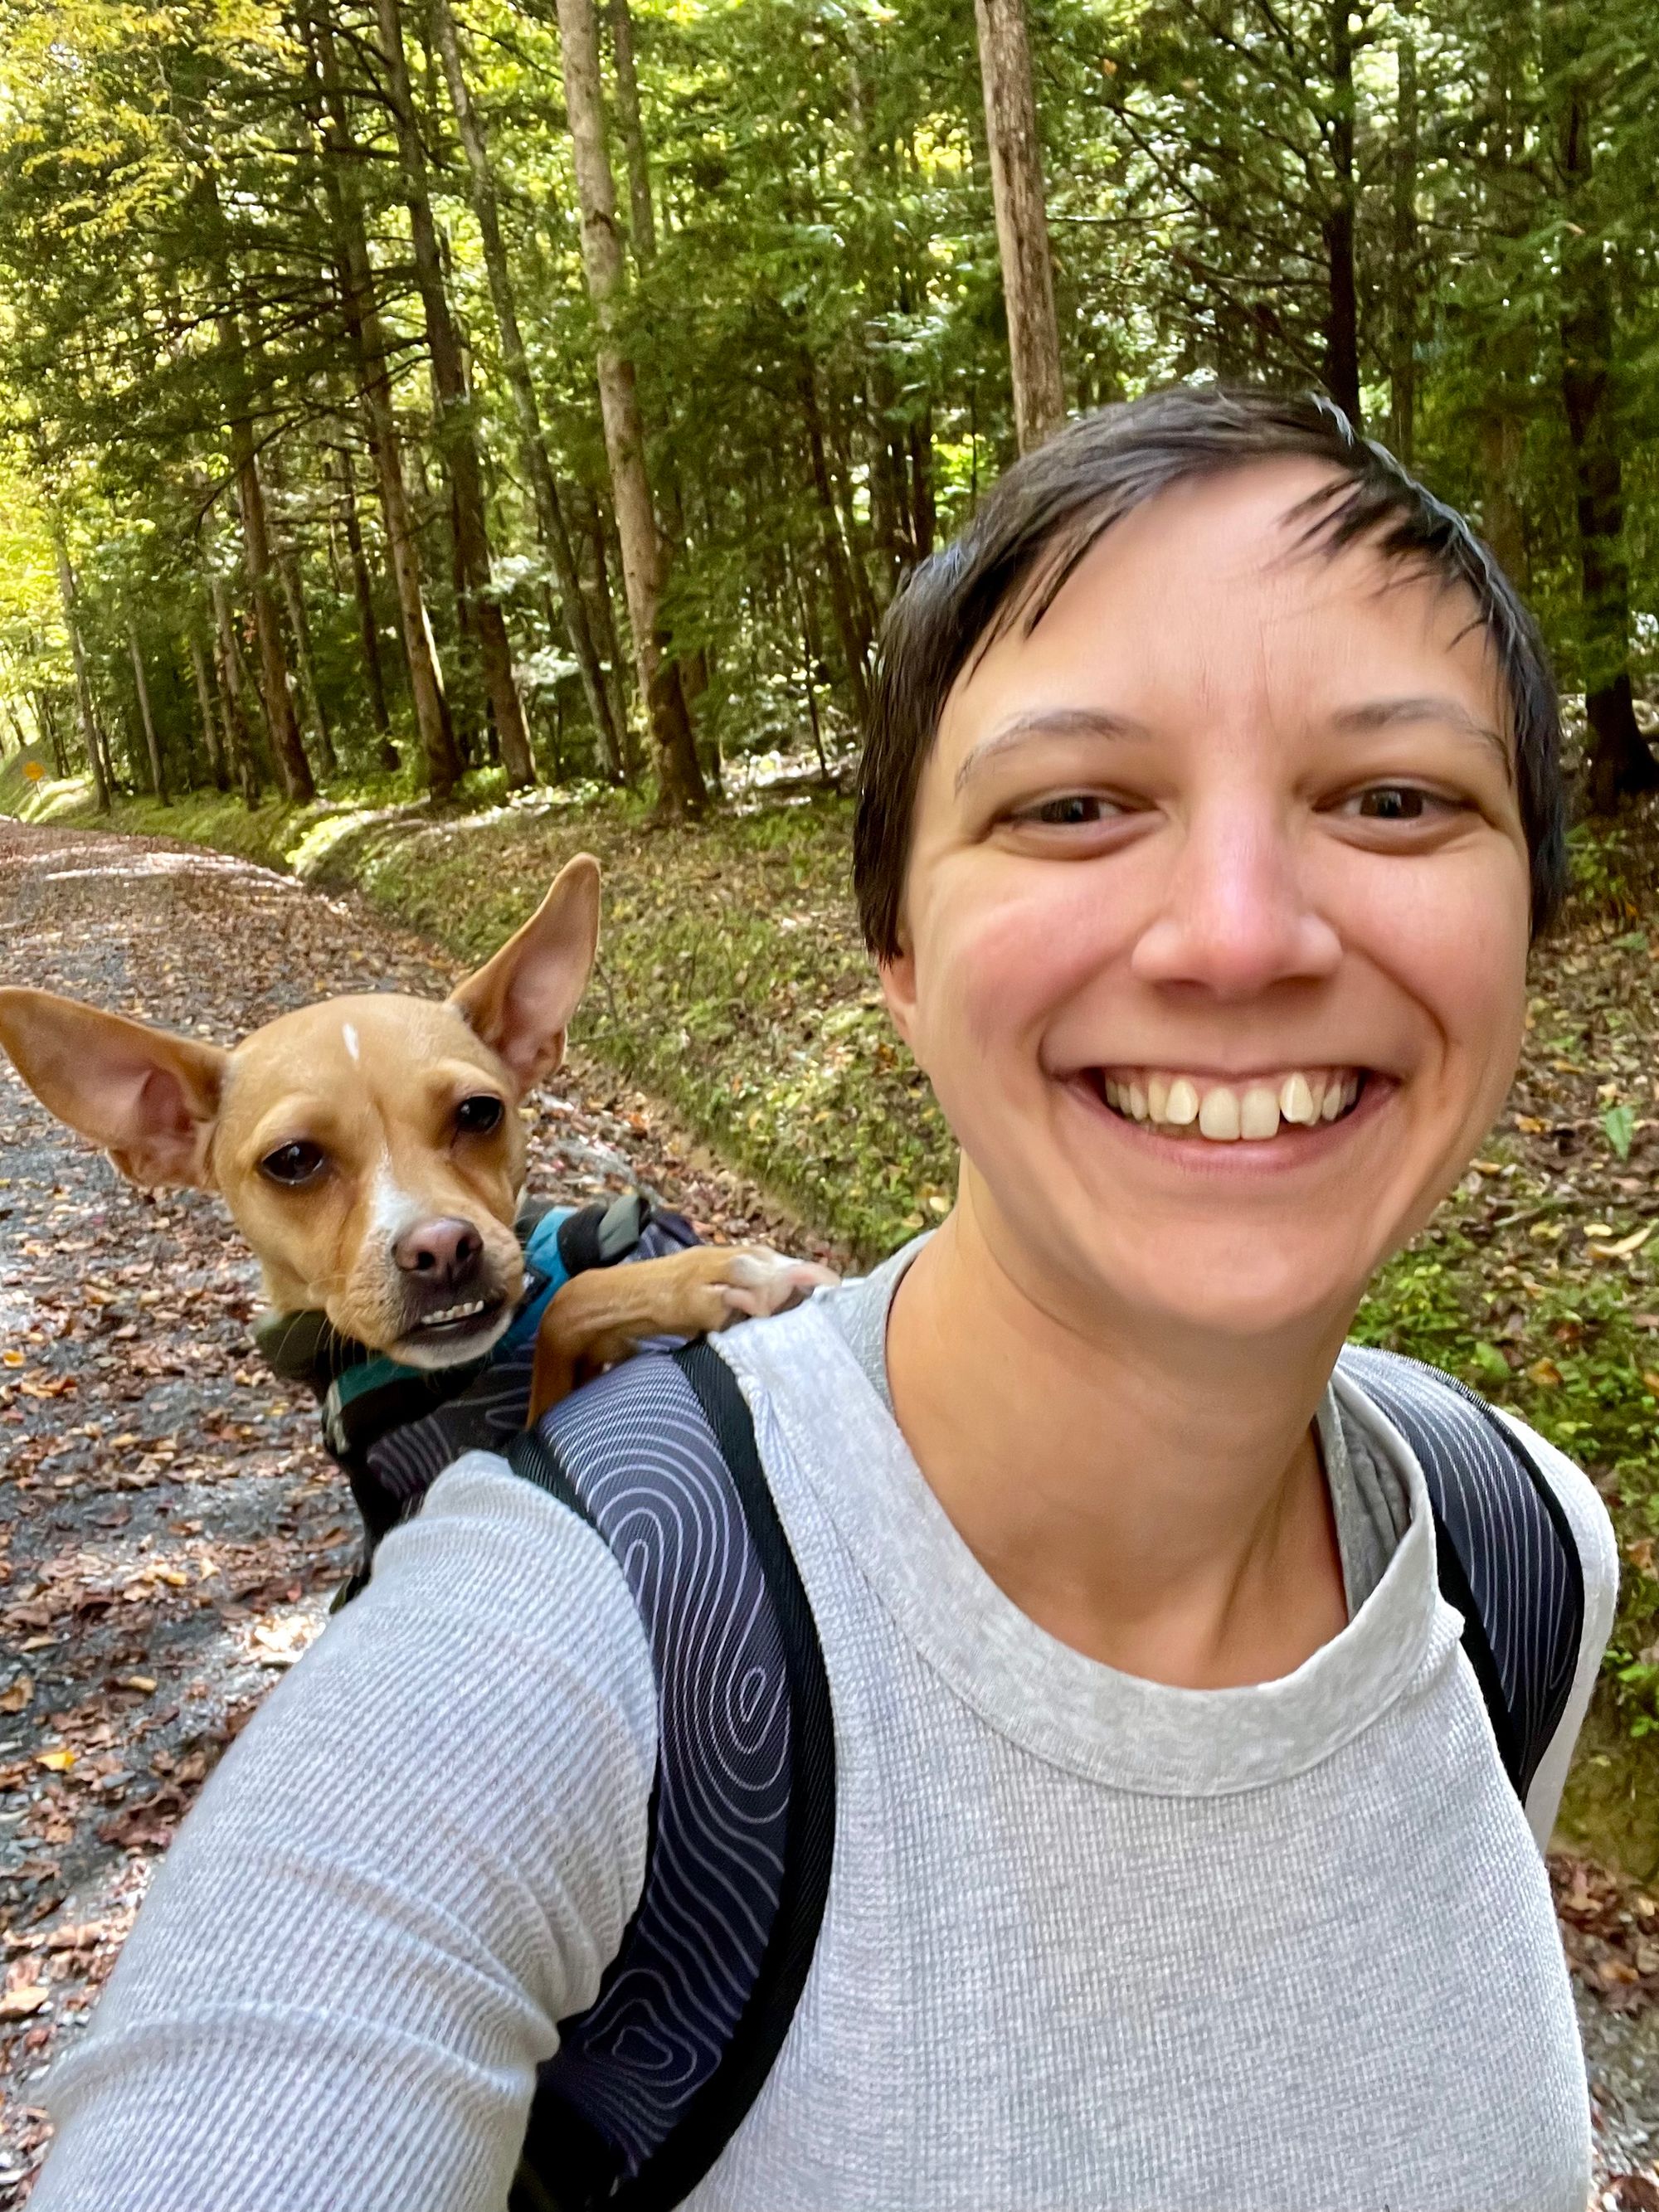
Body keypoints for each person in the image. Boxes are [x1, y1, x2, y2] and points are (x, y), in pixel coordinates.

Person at [30, 385, 1617, 2211]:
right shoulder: (550, 1625)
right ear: (898, 955)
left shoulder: (1519, 1546)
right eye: (1074, 803)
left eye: (1397, 797)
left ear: (1529, 916)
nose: (1240, 934)